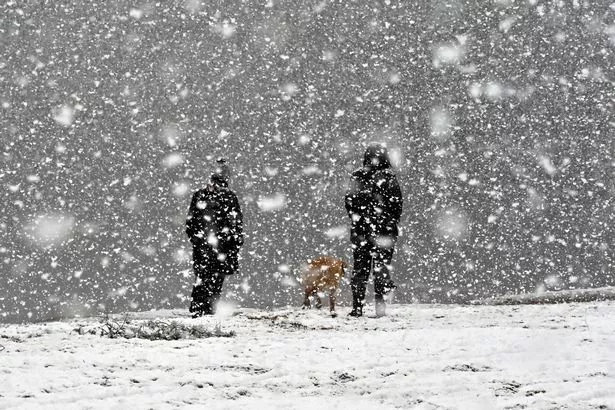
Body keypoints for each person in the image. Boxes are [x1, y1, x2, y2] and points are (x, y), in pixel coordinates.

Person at [345, 143, 403, 317]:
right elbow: (396, 204)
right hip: (384, 231)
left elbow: (349, 202)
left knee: (360, 268)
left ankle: (357, 307)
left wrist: (359, 219)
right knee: (381, 267)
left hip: (361, 230)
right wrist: (389, 222)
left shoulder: (357, 176)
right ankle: (380, 306)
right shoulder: (389, 177)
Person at [185, 158, 243, 316]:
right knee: (216, 279)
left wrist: (197, 239)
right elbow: (236, 223)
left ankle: (199, 308)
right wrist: (235, 242)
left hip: (205, 245)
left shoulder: (200, 195)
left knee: (202, 277)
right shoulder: (229, 197)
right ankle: (208, 308)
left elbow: (191, 222)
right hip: (221, 246)